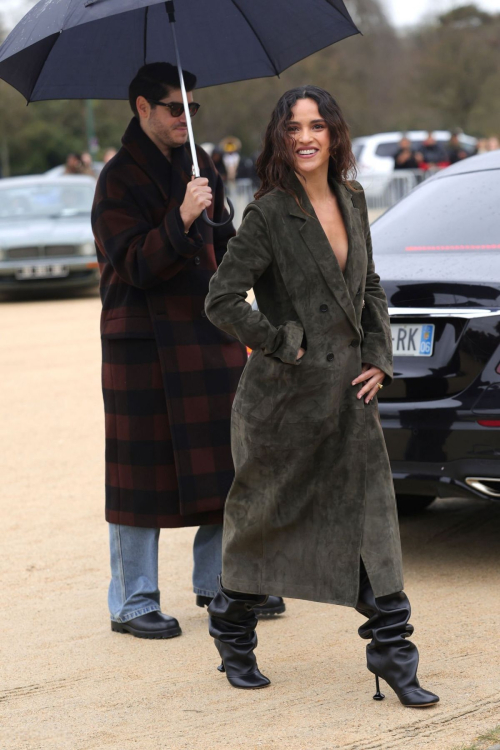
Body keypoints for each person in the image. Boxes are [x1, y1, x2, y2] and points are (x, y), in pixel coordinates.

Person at [204, 85, 439, 707]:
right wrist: (282, 339)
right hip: (283, 405)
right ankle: (232, 626)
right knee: (265, 525)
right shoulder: (268, 213)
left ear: (334, 134)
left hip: (351, 399)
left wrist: (380, 357)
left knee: (373, 523)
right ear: (279, 138)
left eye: (317, 126)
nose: (305, 137)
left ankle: (394, 654)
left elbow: (372, 287)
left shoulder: (353, 197)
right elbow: (221, 300)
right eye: (293, 127)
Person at [91, 63, 284, 641]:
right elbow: (133, 265)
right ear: (142, 108)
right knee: (136, 477)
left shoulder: (201, 169)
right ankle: (132, 601)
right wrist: (182, 216)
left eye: (191, 108)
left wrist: (243, 233)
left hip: (207, 334)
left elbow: (219, 249)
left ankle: (220, 583)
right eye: (175, 108)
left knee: (228, 463)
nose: (186, 118)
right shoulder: (117, 180)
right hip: (141, 345)